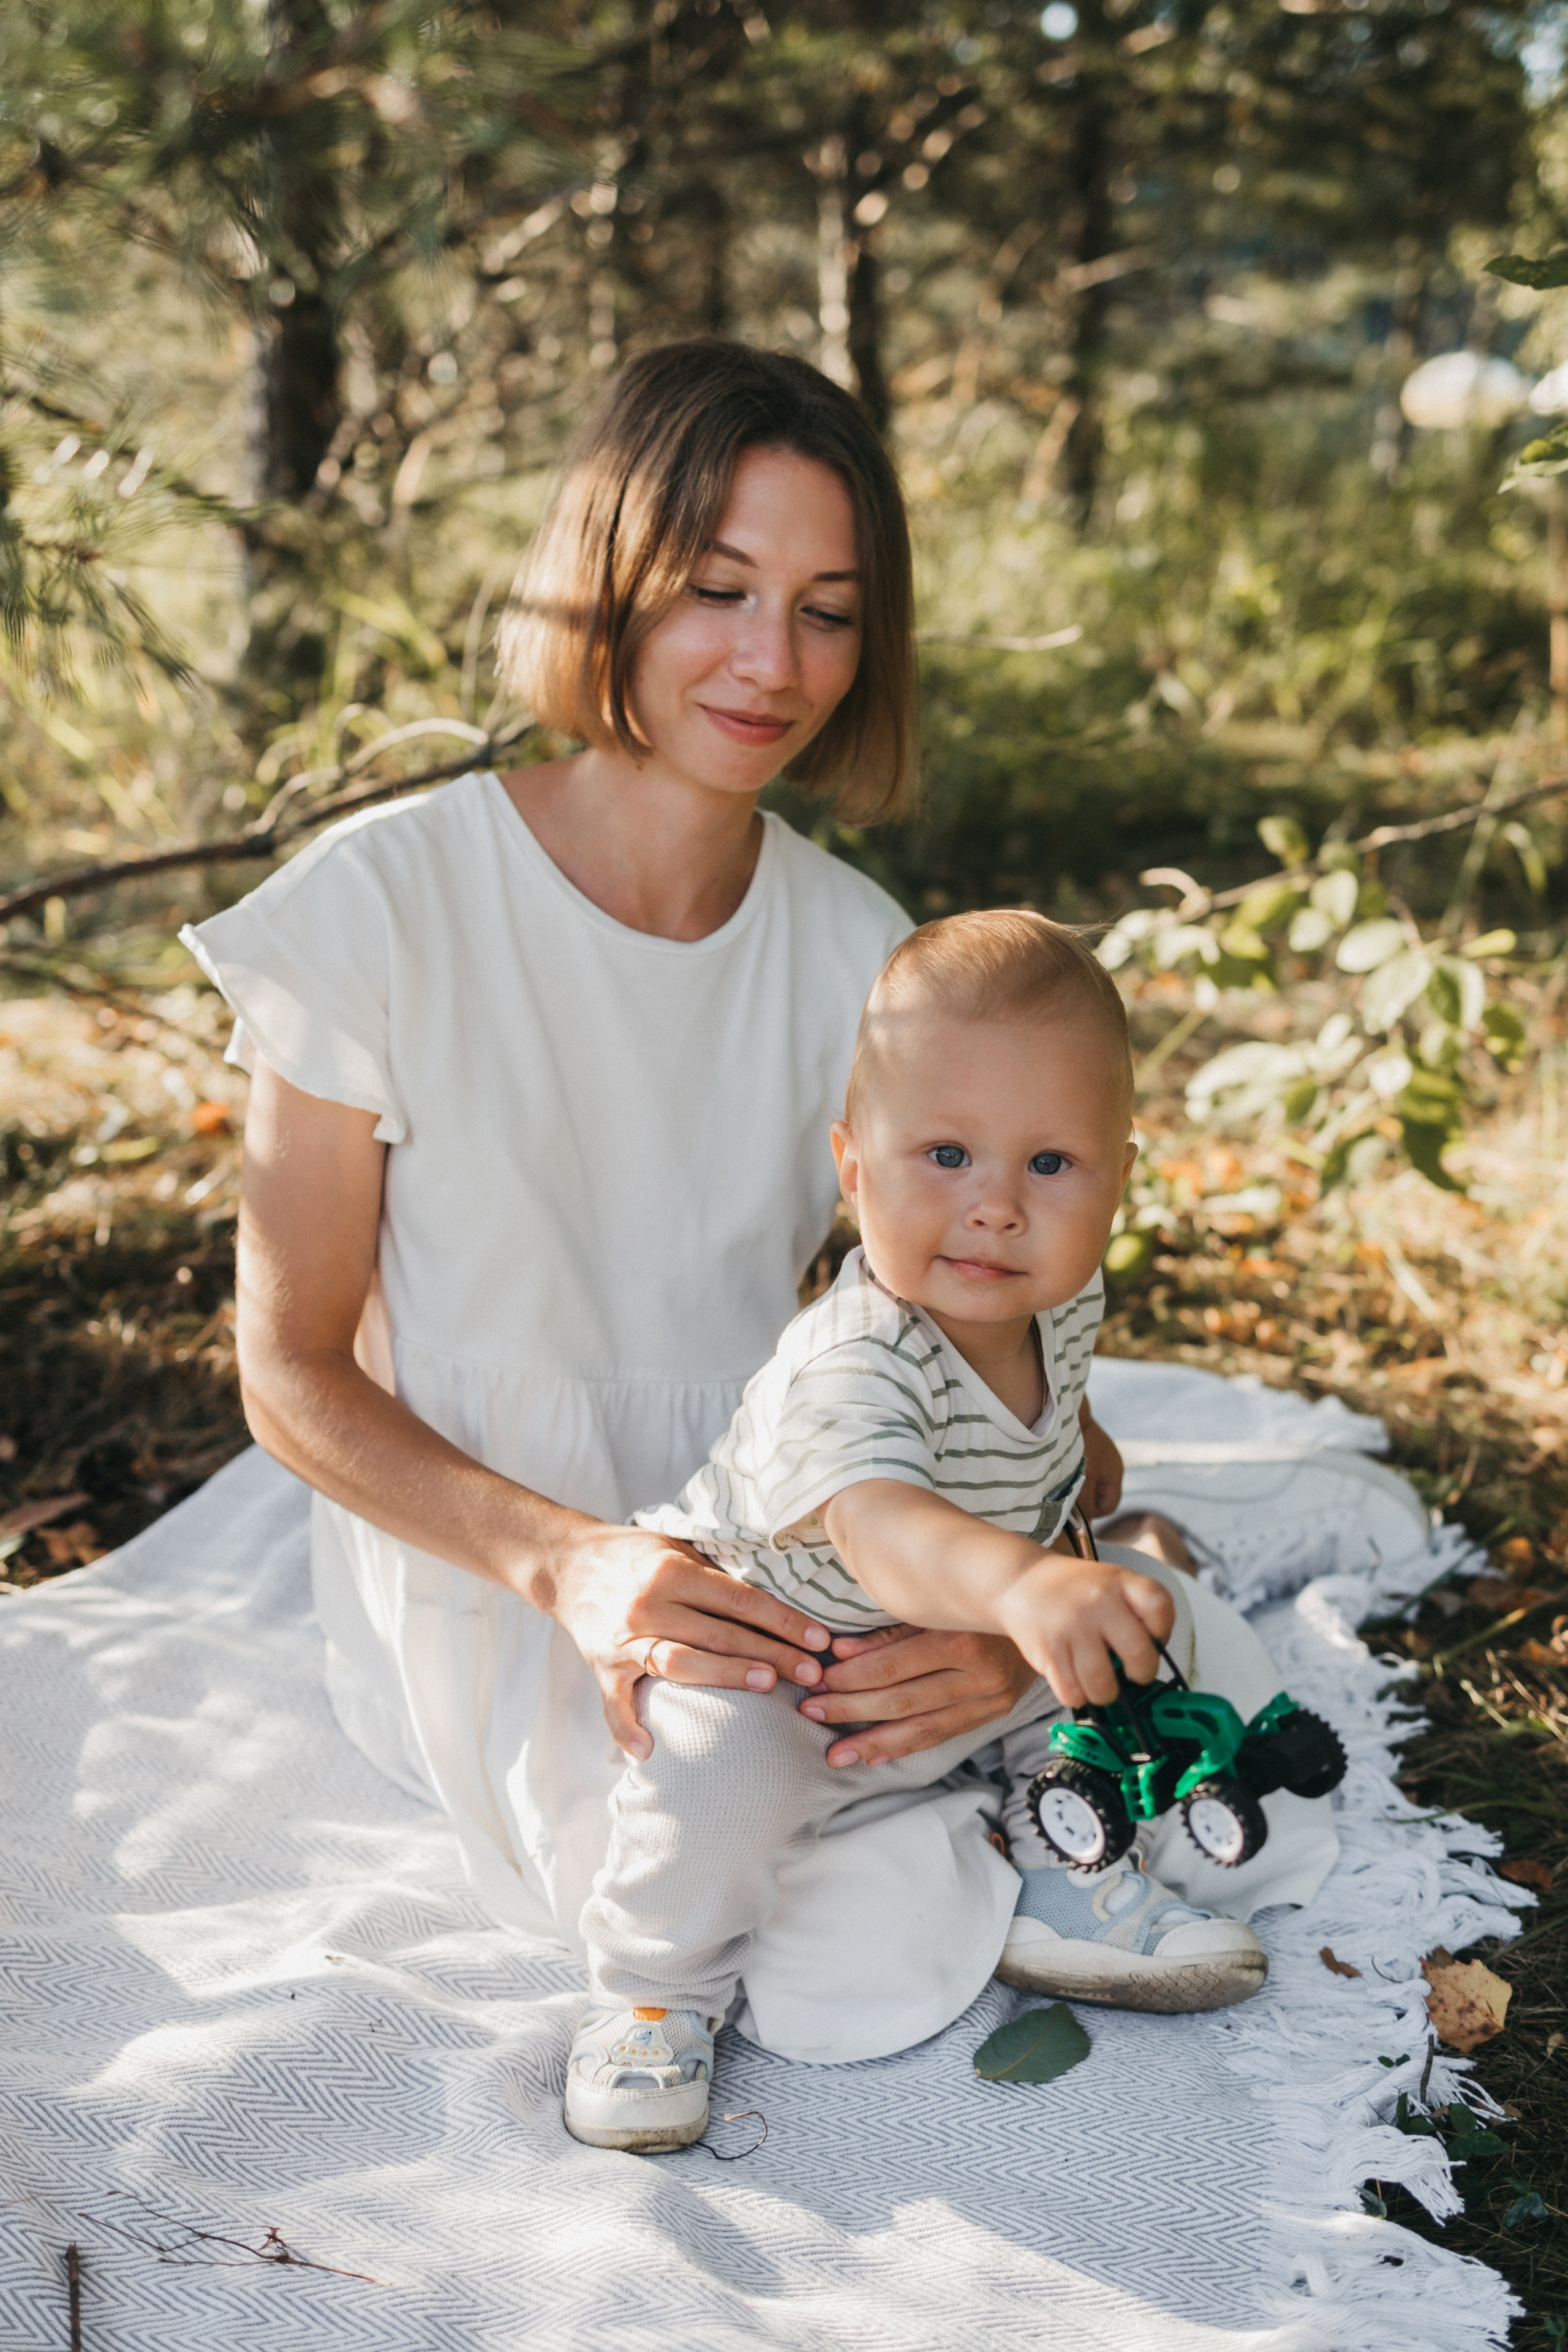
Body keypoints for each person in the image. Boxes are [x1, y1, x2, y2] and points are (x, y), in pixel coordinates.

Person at [184, 337, 1333, 2083]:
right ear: (610, 581)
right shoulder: (382, 903)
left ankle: (1052, 1720)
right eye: (717, 590)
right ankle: (1026, 1820)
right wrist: (569, 1561)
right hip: (517, 1553)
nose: (771, 662)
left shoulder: (863, 947)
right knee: (748, 1926)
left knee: (1045, 1664)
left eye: (828, 608)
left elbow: (970, 1364)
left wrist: (976, 1627)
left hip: (839, 1524)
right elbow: (287, 1371)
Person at [565, 913, 1272, 2152]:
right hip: (793, 1660)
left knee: (1127, 1658)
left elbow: (1053, 1431)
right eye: (943, 1153)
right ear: (851, 1169)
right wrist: (1021, 1591)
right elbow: (882, 1527)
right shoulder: (856, 1363)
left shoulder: (1053, 1297)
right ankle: (651, 1992)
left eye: (1049, 1164)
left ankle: (1066, 1866)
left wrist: (1078, 1479)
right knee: (708, 1779)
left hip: (968, 1645)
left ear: (1118, 1176)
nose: (994, 1207)